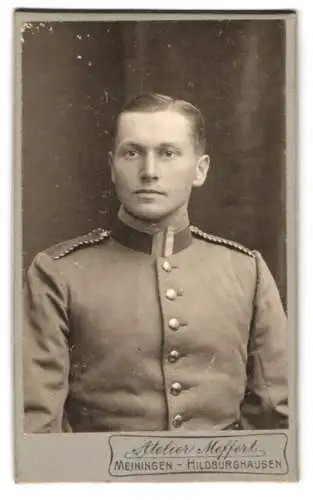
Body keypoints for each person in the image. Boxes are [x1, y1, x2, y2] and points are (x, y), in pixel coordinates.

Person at [23, 93, 288, 433]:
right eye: (132, 153)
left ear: (200, 169)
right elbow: (36, 428)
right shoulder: (56, 274)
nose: (149, 172)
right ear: (112, 167)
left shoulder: (246, 271)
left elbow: (277, 417)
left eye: (167, 153)